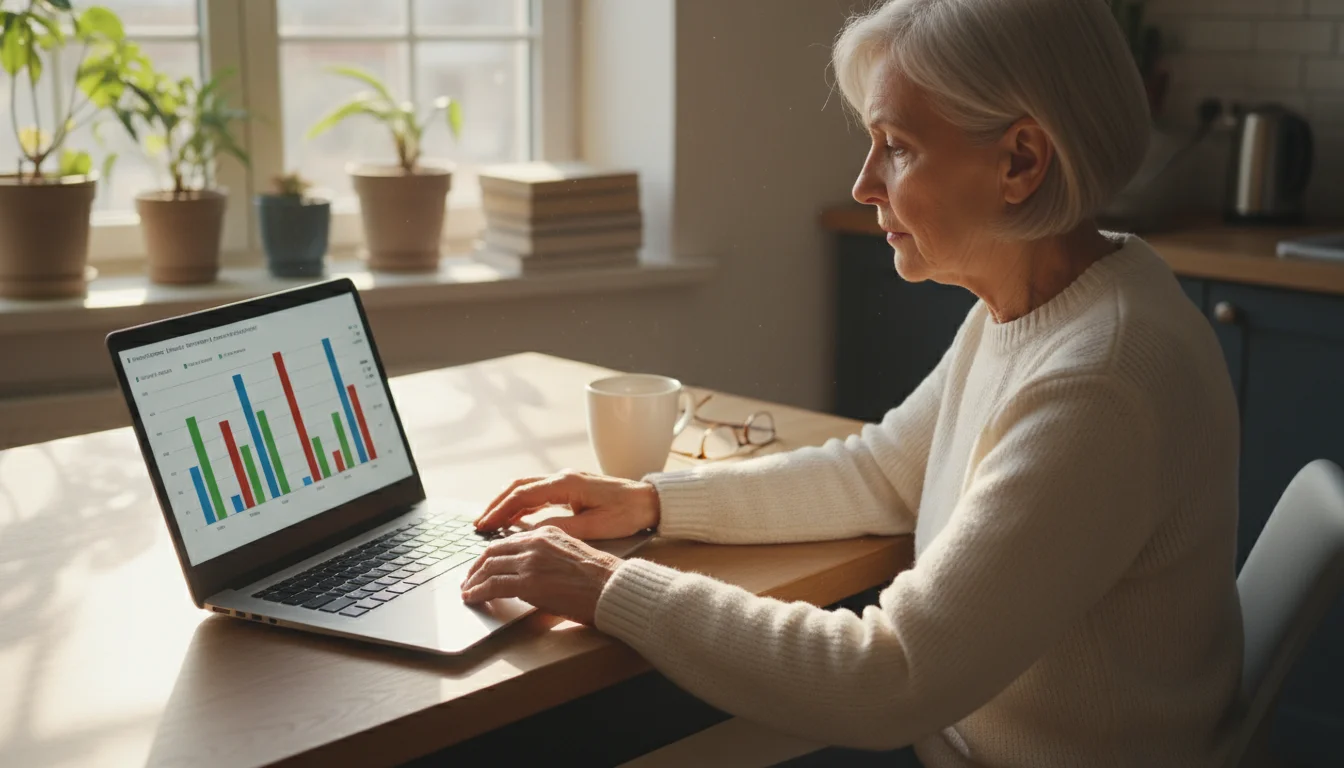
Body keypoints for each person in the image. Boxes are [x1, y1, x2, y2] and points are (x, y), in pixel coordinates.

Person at [464, 0, 1245, 765]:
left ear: (1021, 162)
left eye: (897, 146)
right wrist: (655, 502)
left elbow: (888, 678)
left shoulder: (1098, 380)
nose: (865, 182)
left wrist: (611, 588)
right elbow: (879, 471)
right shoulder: (1035, 303)